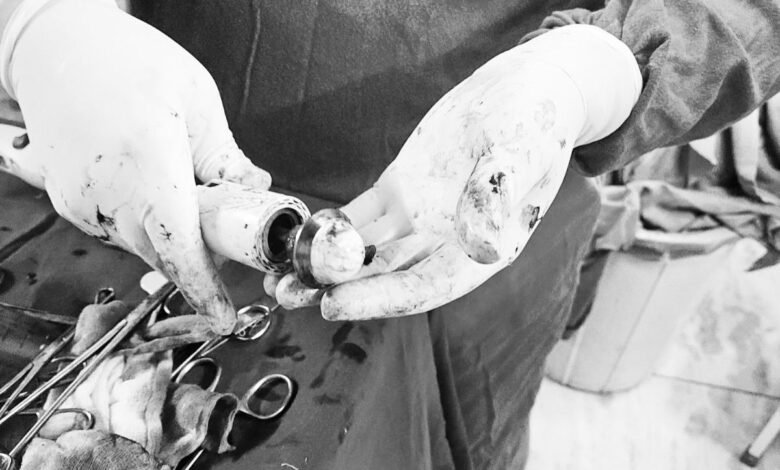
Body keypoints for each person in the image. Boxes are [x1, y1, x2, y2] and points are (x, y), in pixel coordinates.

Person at [0, 0, 778, 468]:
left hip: (484, 215)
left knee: (462, 444)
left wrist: (594, 69)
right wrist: (37, 25)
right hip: (151, 157)